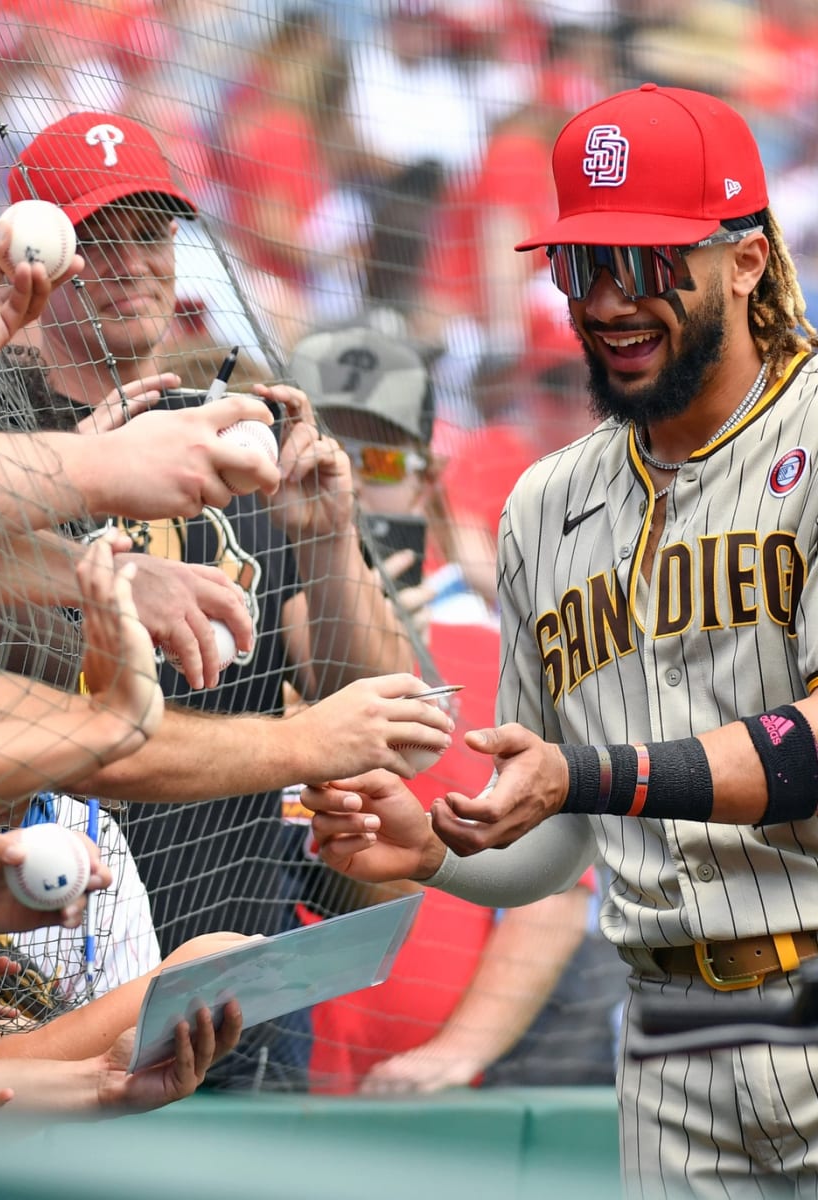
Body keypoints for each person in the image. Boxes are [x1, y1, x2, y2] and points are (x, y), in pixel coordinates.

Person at [307, 83, 818, 1194]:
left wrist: (586, 774)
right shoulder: (547, 504)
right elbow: (560, 831)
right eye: (583, 266)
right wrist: (440, 849)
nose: (610, 301)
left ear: (746, 260)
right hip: (670, 1035)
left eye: (647, 262)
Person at [8, 109, 422, 1087]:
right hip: (36, 968)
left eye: (150, 236)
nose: (132, 264)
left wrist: (328, 549)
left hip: (238, 974)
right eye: (96, 241)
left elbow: (383, 707)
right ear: (36, 250)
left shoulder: (233, 436)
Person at [285, 325, 601, 1095]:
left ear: (424, 484)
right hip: (246, 1078)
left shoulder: (486, 649)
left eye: (380, 460)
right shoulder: (216, 628)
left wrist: (459, 1051)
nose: (349, 480)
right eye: (326, 448)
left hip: (426, 1105)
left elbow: (555, 895)